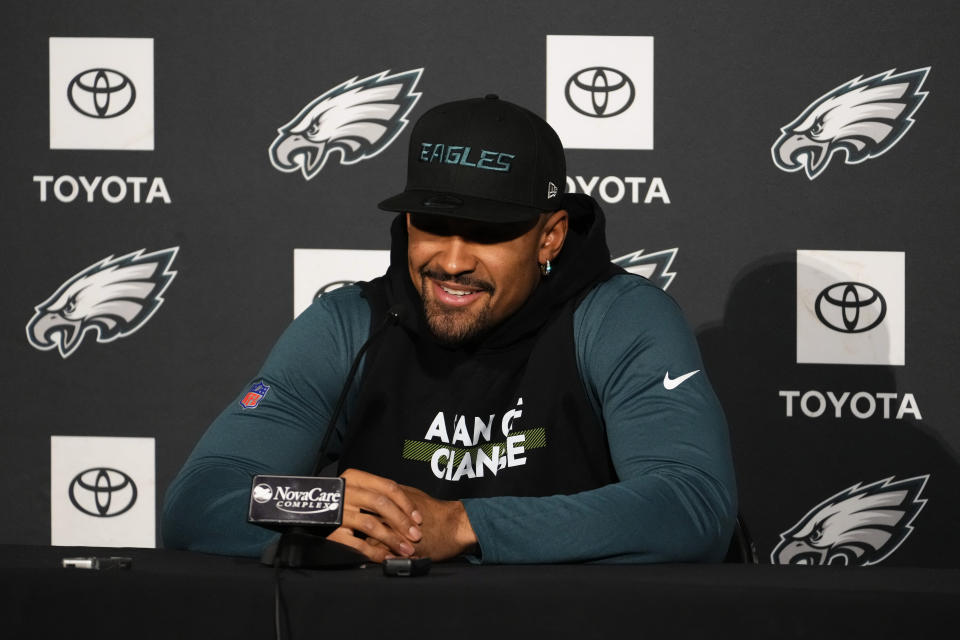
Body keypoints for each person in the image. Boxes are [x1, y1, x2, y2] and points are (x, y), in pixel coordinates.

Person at [162, 95, 737, 564]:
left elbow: (692, 505)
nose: (453, 261)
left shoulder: (619, 317)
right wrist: (320, 507)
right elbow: (199, 500)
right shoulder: (348, 325)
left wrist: (463, 525)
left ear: (551, 236)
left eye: (487, 233)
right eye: (433, 226)